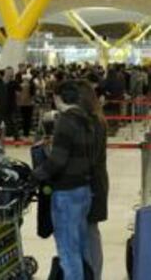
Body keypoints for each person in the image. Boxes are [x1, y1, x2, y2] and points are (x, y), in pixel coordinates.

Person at [34, 80, 95, 280]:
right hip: (83, 190)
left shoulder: (66, 121)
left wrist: (36, 175)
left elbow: (58, 162)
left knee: (68, 253)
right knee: (80, 248)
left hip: (66, 193)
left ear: (57, 98)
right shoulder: (86, 120)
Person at [76, 80, 109, 280]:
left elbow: (89, 157)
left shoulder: (91, 123)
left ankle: (93, 275)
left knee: (89, 233)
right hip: (93, 182)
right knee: (88, 233)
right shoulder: (94, 120)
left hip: (90, 185)